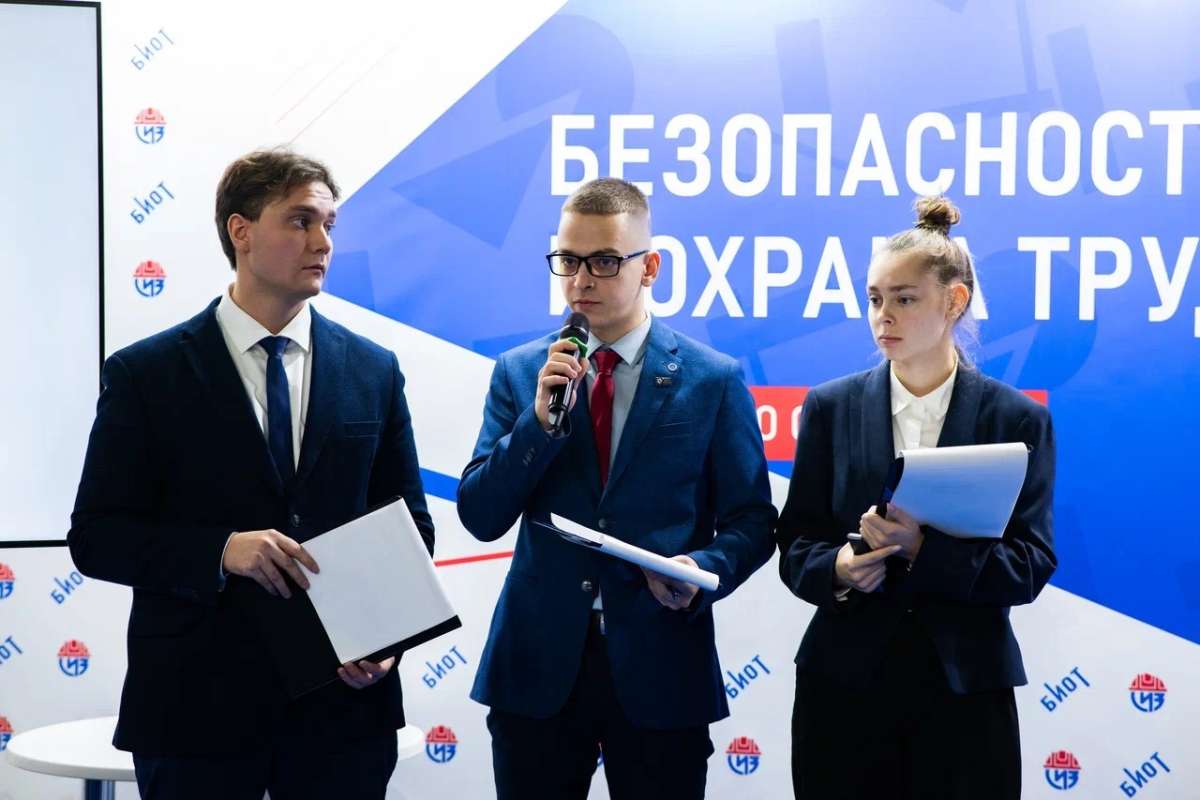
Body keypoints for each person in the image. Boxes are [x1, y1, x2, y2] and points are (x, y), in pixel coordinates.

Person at [67, 148, 433, 800]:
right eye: (300, 221)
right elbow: (97, 537)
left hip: (342, 714)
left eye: (328, 224)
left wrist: (390, 639)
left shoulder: (374, 370)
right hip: (195, 709)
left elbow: (410, 528)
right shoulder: (146, 375)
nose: (322, 242)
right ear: (241, 231)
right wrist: (221, 550)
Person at [457, 177, 776, 799]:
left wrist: (703, 568)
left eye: (605, 261)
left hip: (662, 661)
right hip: (538, 667)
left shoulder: (711, 379)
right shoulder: (523, 372)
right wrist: (539, 424)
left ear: (649, 267)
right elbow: (480, 514)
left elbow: (753, 521)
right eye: (568, 261)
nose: (581, 280)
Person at [776, 196, 1056, 800]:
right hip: (843, 691)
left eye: (904, 299)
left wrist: (923, 551)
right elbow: (795, 544)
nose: (884, 316)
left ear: (954, 301)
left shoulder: (1016, 419)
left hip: (965, 692)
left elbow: (1031, 562)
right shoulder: (830, 407)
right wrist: (839, 568)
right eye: (875, 299)